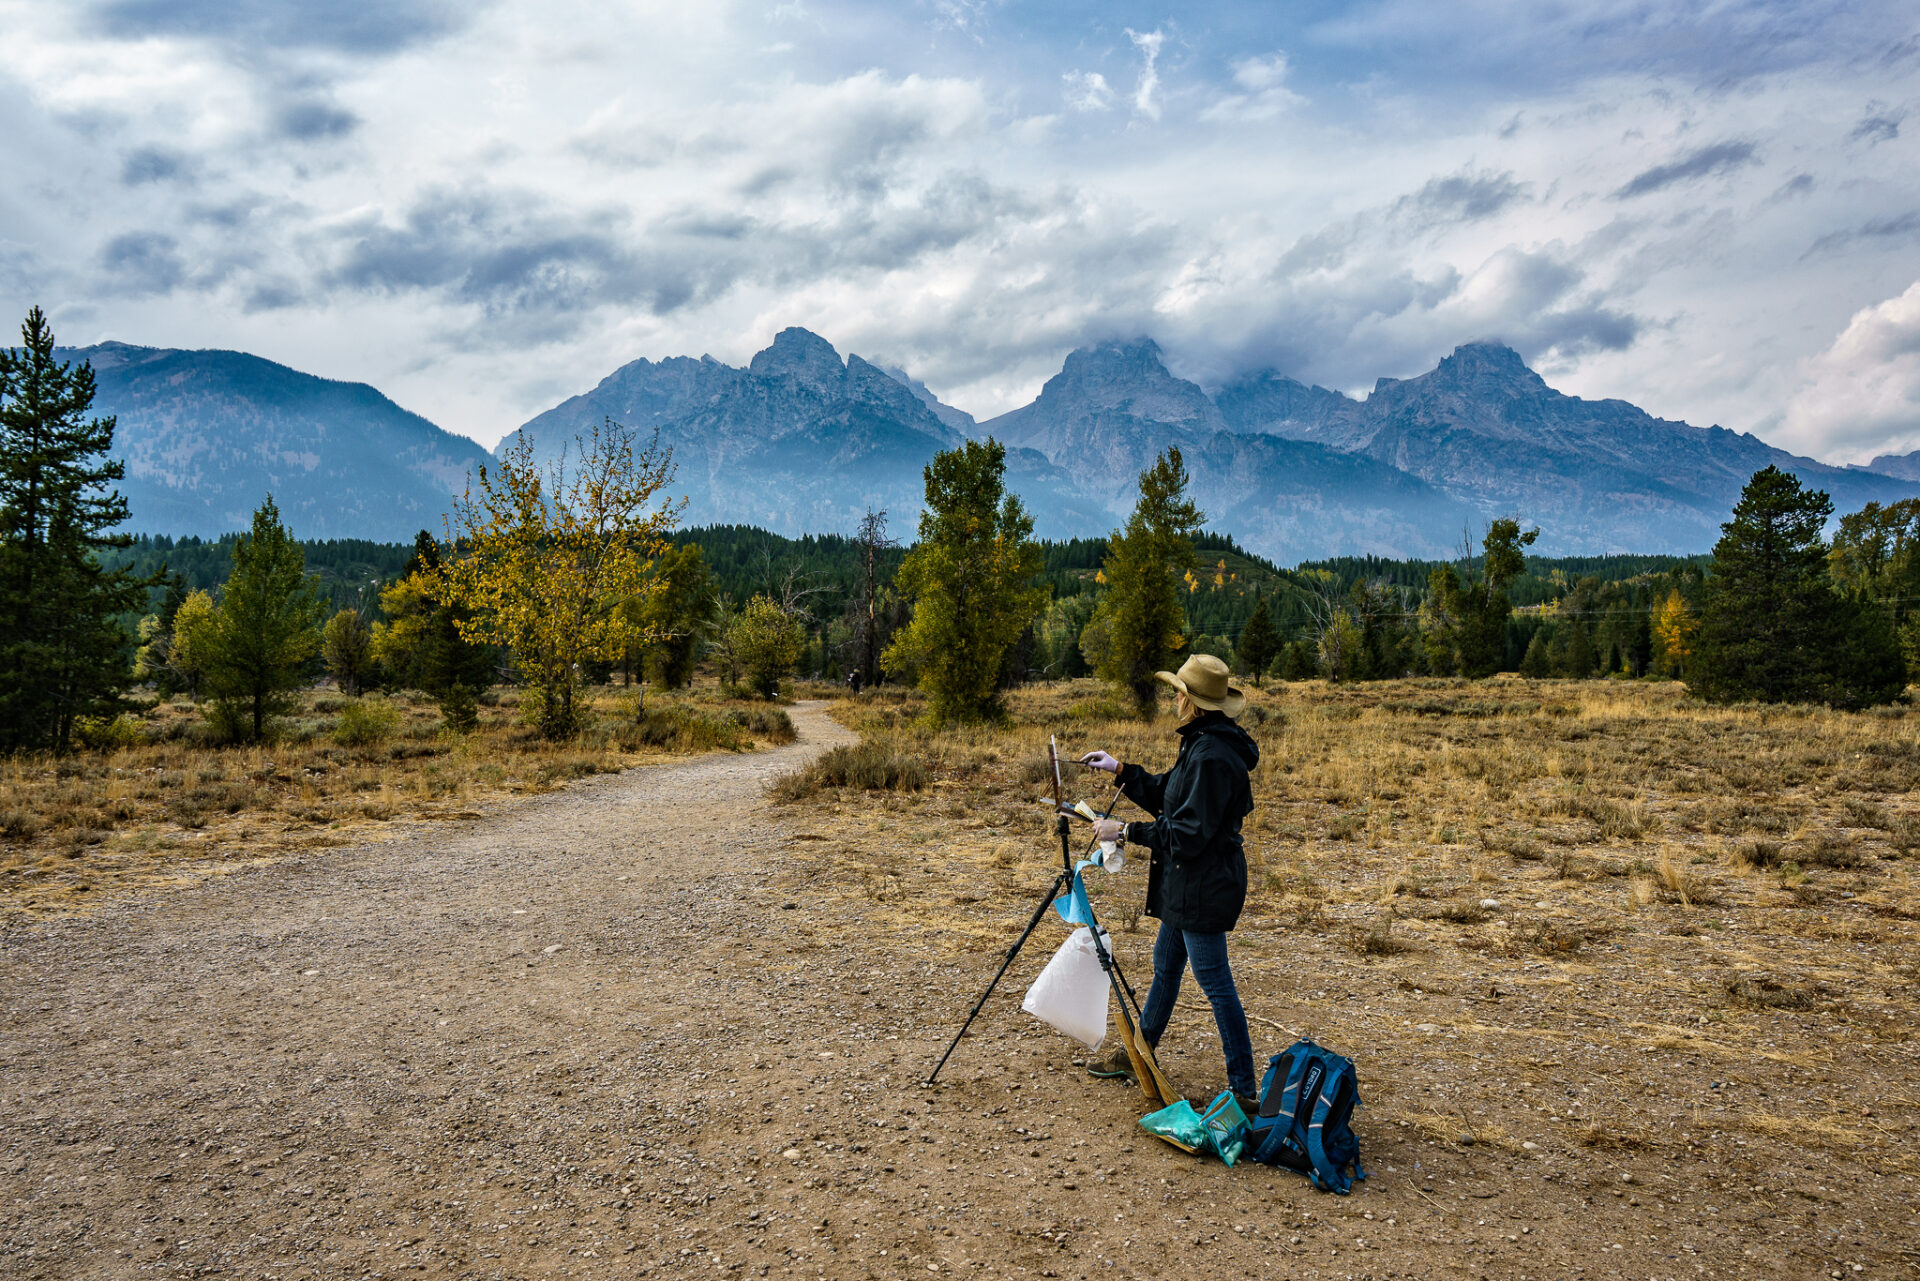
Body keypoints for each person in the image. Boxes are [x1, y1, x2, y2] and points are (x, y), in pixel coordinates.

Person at [1079, 653, 1260, 1111]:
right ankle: (1139, 1054)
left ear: (1191, 700)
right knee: (1166, 963)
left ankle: (1245, 1091)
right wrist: (1121, 770)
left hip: (1204, 885)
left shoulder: (1214, 756)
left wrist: (1124, 831)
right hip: (1189, 881)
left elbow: (1187, 833)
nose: (1174, 697)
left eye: (1178, 691)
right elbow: (1169, 795)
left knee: (1215, 981)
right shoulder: (1202, 743)